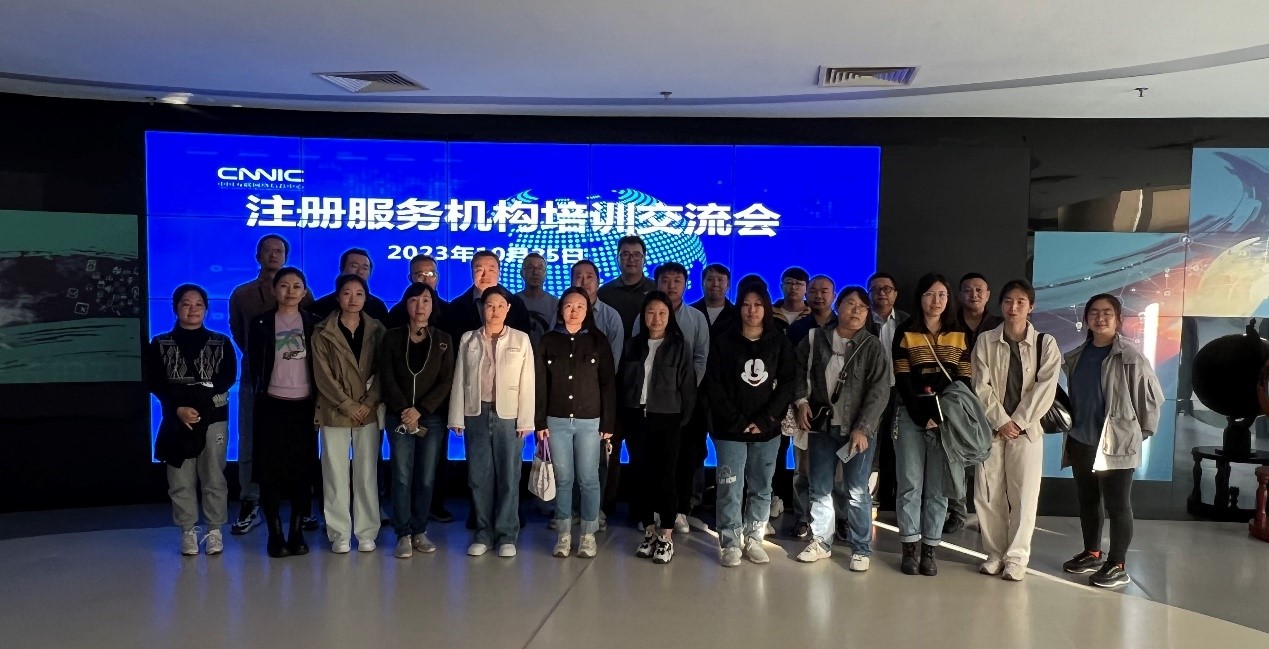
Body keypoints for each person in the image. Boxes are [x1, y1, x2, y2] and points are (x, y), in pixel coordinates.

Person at [1060, 294, 1162, 589]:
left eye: (1107, 312)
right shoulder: (1077, 356)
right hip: (1081, 440)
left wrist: (1135, 435)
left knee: (1118, 506)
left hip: (1117, 444)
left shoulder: (1130, 357)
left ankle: (1117, 564)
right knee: (1088, 501)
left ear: (1118, 319)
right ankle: (1092, 553)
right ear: (1086, 319)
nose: (1100, 318)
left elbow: (1150, 401)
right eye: (1094, 312)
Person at [792, 286, 891, 569]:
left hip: (857, 431)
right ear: (838, 307)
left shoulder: (872, 346)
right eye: (850, 304)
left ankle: (861, 549)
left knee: (857, 491)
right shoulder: (816, 338)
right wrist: (801, 402)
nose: (856, 310)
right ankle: (821, 541)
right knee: (820, 487)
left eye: (862, 306)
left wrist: (863, 428)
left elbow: (879, 391)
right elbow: (799, 372)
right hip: (821, 426)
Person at [970, 279, 1060, 581]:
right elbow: (980, 385)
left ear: (1030, 307)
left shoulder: (1045, 343)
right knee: (988, 493)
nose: (1013, 307)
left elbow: (1045, 388)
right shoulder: (986, 340)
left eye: (1021, 302)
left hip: (1027, 432)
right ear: (1001, 304)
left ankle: (1017, 558)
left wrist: (1018, 421)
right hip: (993, 429)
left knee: (1024, 495)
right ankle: (994, 553)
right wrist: (1001, 421)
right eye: (1008, 300)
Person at [705, 284, 796, 567]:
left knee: (761, 487)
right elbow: (714, 385)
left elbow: (787, 384)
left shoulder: (779, 343)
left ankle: (754, 537)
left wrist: (765, 420)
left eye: (758, 304)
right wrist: (738, 421)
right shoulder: (723, 341)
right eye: (746, 304)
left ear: (766, 308)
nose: (752, 310)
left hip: (767, 430)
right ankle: (730, 542)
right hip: (730, 429)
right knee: (729, 486)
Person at [145, 284, 237, 555]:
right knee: (180, 478)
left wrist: (197, 403)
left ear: (206, 309)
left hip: (214, 418)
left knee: (214, 476)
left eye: (198, 304)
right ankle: (187, 530)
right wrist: (178, 408)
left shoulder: (221, 342)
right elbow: (155, 382)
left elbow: (227, 378)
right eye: (186, 303)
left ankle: (214, 530)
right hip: (176, 420)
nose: (192, 309)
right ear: (175, 308)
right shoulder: (160, 343)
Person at [227, 234, 309, 536]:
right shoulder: (242, 293)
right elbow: (240, 333)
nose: (274, 255)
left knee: (296, 444)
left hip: (297, 382)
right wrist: (264, 360)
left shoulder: (303, 293)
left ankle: (301, 507)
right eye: (268, 250)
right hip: (256, 377)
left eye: (279, 251)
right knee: (250, 438)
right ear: (257, 255)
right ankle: (250, 501)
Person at [892, 272, 971, 576]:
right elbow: (902, 378)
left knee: (937, 489)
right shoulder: (905, 331)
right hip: (911, 416)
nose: (936, 301)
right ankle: (909, 548)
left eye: (942, 295)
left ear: (949, 299)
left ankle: (930, 550)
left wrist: (941, 417)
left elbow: (964, 380)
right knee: (910, 484)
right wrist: (921, 415)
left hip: (946, 420)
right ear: (920, 298)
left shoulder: (960, 333)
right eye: (929, 294)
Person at [449, 285, 536, 558]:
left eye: (500, 306)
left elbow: (528, 382)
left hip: (509, 416)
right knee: (479, 477)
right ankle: (483, 533)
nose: (495, 311)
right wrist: (456, 416)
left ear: (508, 309)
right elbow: (459, 378)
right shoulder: (468, 339)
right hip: (476, 412)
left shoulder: (521, 339)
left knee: (509, 477)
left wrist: (526, 420)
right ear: (481, 308)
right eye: (489, 306)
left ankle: (507, 534)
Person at [535, 288, 617, 558]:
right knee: (563, 479)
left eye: (580, 306)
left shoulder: (598, 341)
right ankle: (563, 534)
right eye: (569, 306)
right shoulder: (548, 341)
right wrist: (539, 421)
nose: (574, 311)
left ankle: (588, 535)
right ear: (561, 309)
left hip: (590, 421)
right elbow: (540, 385)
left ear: (587, 310)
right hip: (556, 420)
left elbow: (608, 384)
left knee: (589, 479)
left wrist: (608, 423)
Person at [246, 267, 319, 558]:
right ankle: (275, 535)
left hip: (305, 405)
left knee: (303, 472)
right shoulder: (261, 322)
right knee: (270, 472)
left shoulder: (314, 323)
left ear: (304, 292)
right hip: (271, 404)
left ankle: (297, 532)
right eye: (284, 285)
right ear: (275, 290)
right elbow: (255, 362)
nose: (290, 291)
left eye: (296, 286)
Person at [312, 273, 386, 554]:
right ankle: (339, 533)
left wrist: (369, 401)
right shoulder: (322, 331)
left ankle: (367, 532)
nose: (353, 299)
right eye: (346, 293)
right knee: (335, 474)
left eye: (359, 293)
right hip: (335, 411)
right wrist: (348, 405)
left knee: (367, 474)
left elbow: (383, 371)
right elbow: (323, 376)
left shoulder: (377, 329)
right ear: (337, 297)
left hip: (368, 410)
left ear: (366, 297)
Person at [379, 282, 455, 558]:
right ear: (406, 304)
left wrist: (420, 410)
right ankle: (403, 534)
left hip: (431, 419)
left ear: (433, 306)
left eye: (426, 300)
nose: (420, 306)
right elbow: (386, 376)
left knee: (425, 477)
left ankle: (420, 530)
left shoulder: (444, 339)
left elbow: (445, 381)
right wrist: (405, 410)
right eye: (414, 300)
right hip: (398, 417)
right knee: (401, 476)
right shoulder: (391, 337)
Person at [620, 291, 697, 564]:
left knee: (666, 477)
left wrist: (680, 420)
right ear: (643, 316)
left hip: (667, 418)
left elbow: (688, 388)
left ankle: (666, 536)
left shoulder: (679, 345)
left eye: (662, 313)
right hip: (636, 417)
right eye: (651, 312)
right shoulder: (632, 345)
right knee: (641, 476)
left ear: (670, 316)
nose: (656, 318)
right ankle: (649, 532)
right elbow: (623, 383)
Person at [635, 262, 710, 534]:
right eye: (665, 280)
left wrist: (683, 389)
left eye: (677, 281)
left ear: (686, 284)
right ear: (656, 284)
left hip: (682, 403)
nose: (671, 285)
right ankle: (653, 511)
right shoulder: (644, 315)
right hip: (650, 406)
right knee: (651, 462)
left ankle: (679, 511)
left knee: (684, 458)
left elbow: (701, 358)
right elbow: (637, 356)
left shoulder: (696, 318)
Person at [946, 272, 1004, 533]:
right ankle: (957, 512)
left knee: (988, 462)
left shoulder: (998, 324)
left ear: (988, 295)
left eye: (979, 290)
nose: (974, 294)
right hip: (956, 399)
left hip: (990, 400)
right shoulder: (949, 323)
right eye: (968, 290)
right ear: (959, 295)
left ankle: (986, 516)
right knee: (954, 457)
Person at [785, 274, 838, 539]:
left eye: (824, 290)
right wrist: (799, 402)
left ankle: (839, 520)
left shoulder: (844, 325)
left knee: (836, 471)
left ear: (834, 296)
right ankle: (802, 517)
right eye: (814, 290)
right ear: (807, 294)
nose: (818, 295)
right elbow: (792, 370)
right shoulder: (798, 329)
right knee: (802, 468)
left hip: (838, 410)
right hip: (804, 408)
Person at [867, 272, 909, 514]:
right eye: (876, 289)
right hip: (871, 393)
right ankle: (869, 501)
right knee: (870, 448)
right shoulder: (862, 319)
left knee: (900, 448)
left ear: (895, 294)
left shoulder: (907, 321)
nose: (882, 293)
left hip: (900, 392)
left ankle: (895, 503)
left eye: (887, 289)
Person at [443, 251, 533, 339]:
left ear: (499, 272)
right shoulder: (456, 307)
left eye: (491, 270)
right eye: (479, 270)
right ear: (472, 272)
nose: (485, 275)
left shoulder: (516, 304)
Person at [598, 235, 656, 339]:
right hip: (612, 347)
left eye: (637, 255)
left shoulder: (656, 290)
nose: (631, 259)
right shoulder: (603, 293)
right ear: (617, 259)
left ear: (644, 259)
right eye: (625, 254)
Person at [309, 248, 390, 321]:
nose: (360, 271)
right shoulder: (320, 307)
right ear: (342, 269)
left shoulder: (378, 307)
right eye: (354, 266)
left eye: (365, 268)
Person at [571, 260, 624, 367]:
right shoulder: (562, 313)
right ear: (571, 283)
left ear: (598, 282)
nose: (584, 282)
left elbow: (614, 358)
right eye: (579, 277)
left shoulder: (611, 316)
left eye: (589, 277)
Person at [385, 254, 449, 330]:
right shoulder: (397, 313)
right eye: (420, 275)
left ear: (437, 277)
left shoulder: (448, 310)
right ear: (410, 278)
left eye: (431, 274)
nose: (426, 280)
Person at [516, 252, 558, 346]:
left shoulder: (556, 304)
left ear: (545, 274)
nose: (535, 272)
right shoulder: (512, 301)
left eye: (540, 268)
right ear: (521, 273)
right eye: (530, 267)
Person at [690, 263, 737, 334]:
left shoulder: (737, 314)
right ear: (702, 283)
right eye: (710, 279)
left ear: (728, 285)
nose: (715, 284)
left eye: (720, 280)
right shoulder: (690, 312)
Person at [773, 267, 811, 331]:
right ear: (781, 287)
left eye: (799, 283)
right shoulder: (768, 313)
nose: (793, 287)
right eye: (789, 283)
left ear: (807, 288)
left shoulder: (814, 314)